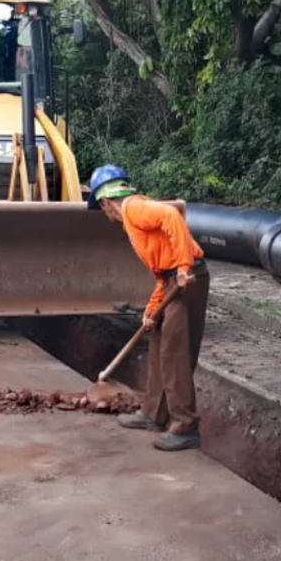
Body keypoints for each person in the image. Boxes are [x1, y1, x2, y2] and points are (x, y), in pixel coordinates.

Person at [88, 164, 210, 452]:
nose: (107, 217)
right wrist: (151, 311)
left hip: (187, 280)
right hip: (171, 281)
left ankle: (185, 426)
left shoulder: (133, 209)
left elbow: (171, 214)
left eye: (102, 210)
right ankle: (153, 413)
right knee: (157, 344)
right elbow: (161, 272)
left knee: (174, 353)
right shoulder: (134, 218)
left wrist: (183, 266)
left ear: (106, 202)